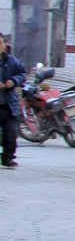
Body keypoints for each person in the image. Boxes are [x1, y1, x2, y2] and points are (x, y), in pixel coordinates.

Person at [0, 35, 25, 169]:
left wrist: (14, 81)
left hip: (8, 104)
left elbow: (22, 74)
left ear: (4, 45)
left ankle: (8, 158)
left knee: (11, 133)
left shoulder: (12, 61)